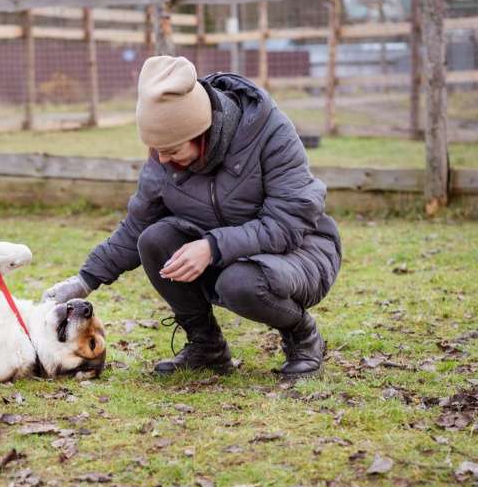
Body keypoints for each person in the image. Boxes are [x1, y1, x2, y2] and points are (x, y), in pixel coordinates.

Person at [44, 56, 341, 381]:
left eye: (171, 150)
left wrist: (212, 247)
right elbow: (137, 226)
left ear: (203, 133)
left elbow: (289, 222)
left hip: (300, 252)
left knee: (240, 283)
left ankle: (302, 335)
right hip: (225, 252)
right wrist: (85, 280)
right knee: (155, 241)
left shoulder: (269, 133)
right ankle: (207, 346)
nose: (161, 159)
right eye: (155, 150)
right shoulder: (164, 155)